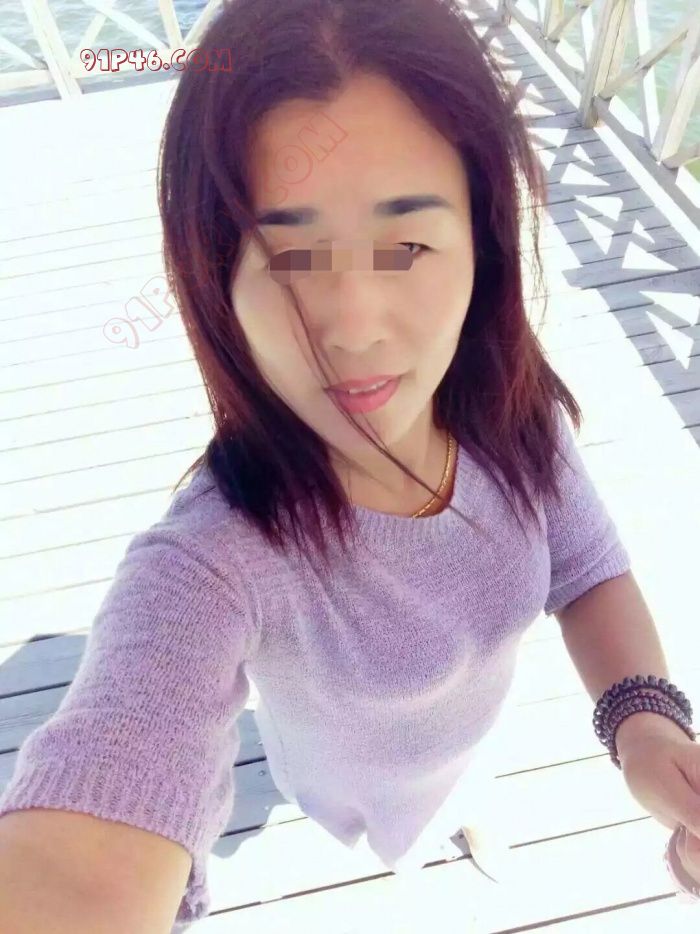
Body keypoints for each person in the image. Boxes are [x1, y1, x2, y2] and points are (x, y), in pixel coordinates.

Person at [1, 0, 697, 931]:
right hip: (336, 780)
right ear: (216, 279)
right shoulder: (214, 560)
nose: (355, 327)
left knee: (460, 796)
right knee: (367, 835)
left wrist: (643, 725)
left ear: (483, 245)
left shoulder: (512, 415)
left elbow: (587, 568)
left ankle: (456, 817)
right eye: (290, 257)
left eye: (407, 245)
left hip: (471, 743)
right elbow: (85, 849)